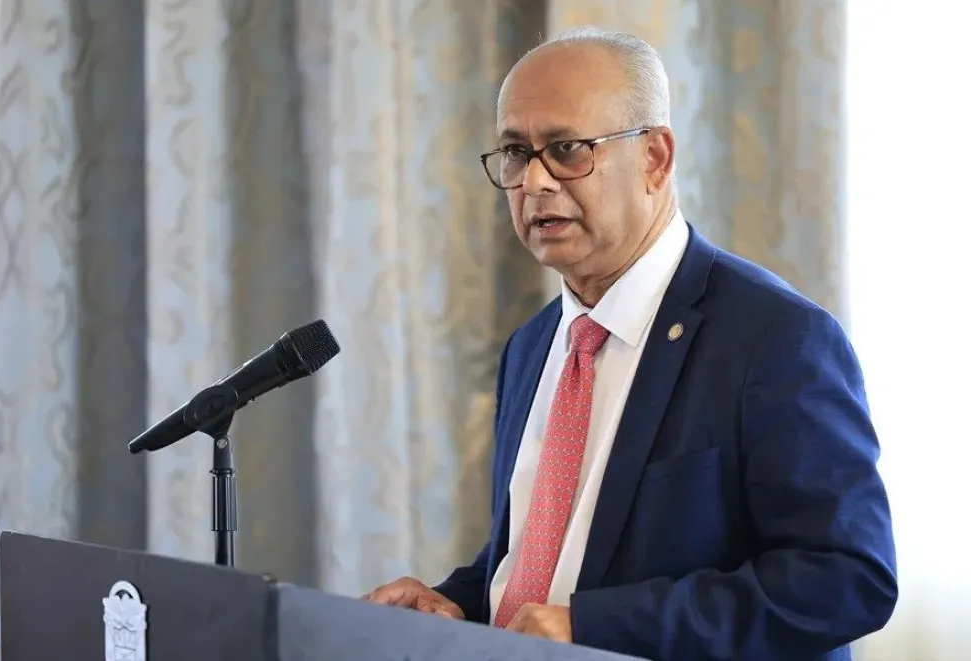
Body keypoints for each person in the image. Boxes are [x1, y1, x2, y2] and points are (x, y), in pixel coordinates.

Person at [363, 26, 897, 661]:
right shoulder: (532, 347)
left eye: (566, 148)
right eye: (514, 152)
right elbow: (543, 561)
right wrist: (452, 601)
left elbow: (846, 578)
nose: (534, 182)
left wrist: (597, 627)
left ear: (655, 158)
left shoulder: (776, 338)